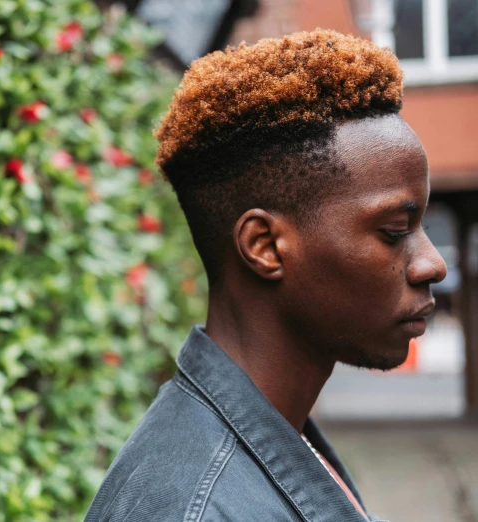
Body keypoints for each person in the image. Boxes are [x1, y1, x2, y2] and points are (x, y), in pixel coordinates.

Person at [84, 29, 446, 522]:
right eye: (394, 230)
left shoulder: (277, 440)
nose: (433, 264)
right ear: (265, 246)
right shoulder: (199, 508)